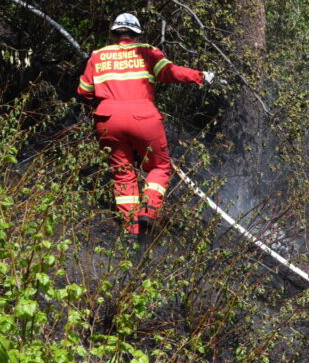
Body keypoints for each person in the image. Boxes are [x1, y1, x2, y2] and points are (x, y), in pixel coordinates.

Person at [77, 13, 213, 242]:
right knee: (159, 167)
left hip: (108, 119)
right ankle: (148, 213)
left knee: (123, 173)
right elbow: (170, 73)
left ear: (114, 33)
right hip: (143, 117)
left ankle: (131, 228)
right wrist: (200, 76)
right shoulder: (147, 52)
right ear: (137, 33)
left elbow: (84, 90)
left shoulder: (97, 56)